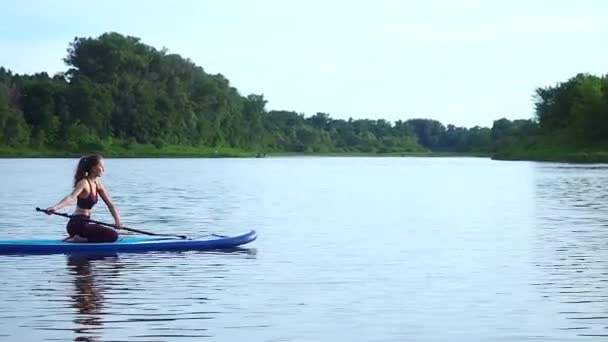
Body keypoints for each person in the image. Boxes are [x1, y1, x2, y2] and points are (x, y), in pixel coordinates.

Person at [45, 155, 122, 243]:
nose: (103, 169)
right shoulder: (84, 183)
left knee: (107, 233)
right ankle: (80, 239)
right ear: (93, 168)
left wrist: (117, 221)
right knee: (113, 235)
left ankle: (77, 237)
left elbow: (110, 205)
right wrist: (55, 208)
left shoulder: (98, 185)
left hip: (85, 223)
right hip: (77, 224)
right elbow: (71, 197)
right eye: (101, 166)